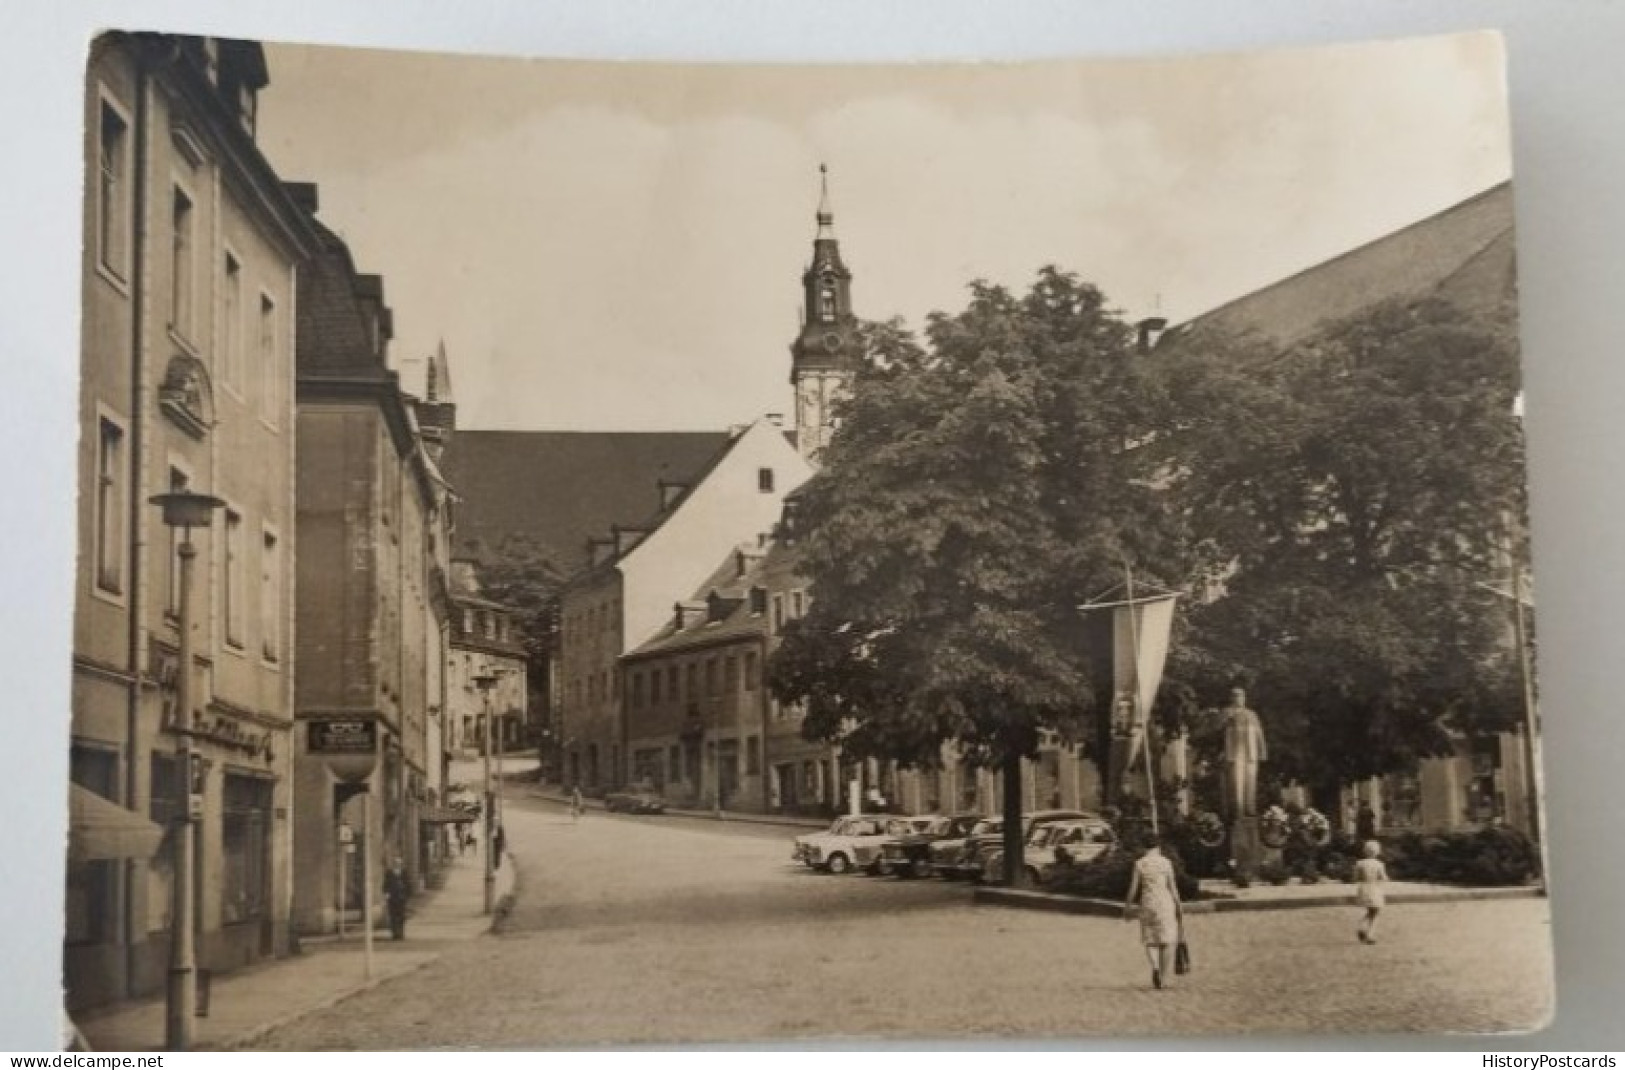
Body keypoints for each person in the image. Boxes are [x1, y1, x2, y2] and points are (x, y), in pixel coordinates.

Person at [1122, 835, 1183, 989]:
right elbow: (1172, 887)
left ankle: (1155, 966)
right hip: (1165, 903)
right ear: (1158, 847)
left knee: (1149, 939)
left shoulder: (1140, 864)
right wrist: (1178, 904)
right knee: (1167, 941)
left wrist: (1127, 906)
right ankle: (1163, 977)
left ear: (1144, 848)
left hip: (1147, 902)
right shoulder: (1165, 863)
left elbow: (1133, 888)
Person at [1220, 687, 1268, 818]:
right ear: (1231, 698)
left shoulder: (1252, 714)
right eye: (1235, 696)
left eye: (1241, 696)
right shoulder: (1227, 712)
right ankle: (1237, 809)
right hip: (1234, 752)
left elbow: (1259, 733)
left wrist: (1262, 750)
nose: (1239, 698)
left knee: (1251, 780)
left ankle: (1249, 808)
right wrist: (1228, 718)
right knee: (1236, 781)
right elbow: (1219, 728)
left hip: (1250, 752)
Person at [1353, 840, 1389, 944]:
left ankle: (1361, 926)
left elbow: (1355, 878)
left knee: (1370, 911)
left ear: (1365, 851)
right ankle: (1370, 934)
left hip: (1364, 888)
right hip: (1375, 889)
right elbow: (1383, 877)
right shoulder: (1379, 864)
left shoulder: (1360, 863)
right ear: (1377, 852)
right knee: (1376, 912)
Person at [383, 857, 409, 941]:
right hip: (392, 898)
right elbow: (385, 884)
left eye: (399, 863)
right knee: (393, 916)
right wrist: (386, 893)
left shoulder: (404, 873)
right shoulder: (389, 873)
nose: (397, 864)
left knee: (401, 916)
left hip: (401, 897)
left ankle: (401, 932)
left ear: (401, 864)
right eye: (396, 863)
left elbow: (408, 884)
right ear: (394, 864)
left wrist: (407, 895)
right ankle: (394, 933)